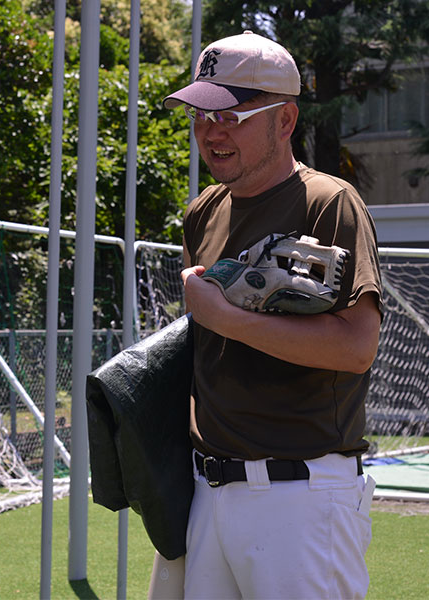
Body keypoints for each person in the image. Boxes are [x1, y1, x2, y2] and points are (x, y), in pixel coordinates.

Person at [163, 31, 382, 599]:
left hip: (301, 495)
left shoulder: (329, 202)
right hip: (207, 490)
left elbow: (357, 348)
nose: (211, 131)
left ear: (285, 120)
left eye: (231, 114)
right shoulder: (202, 212)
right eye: (201, 113)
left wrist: (225, 316)